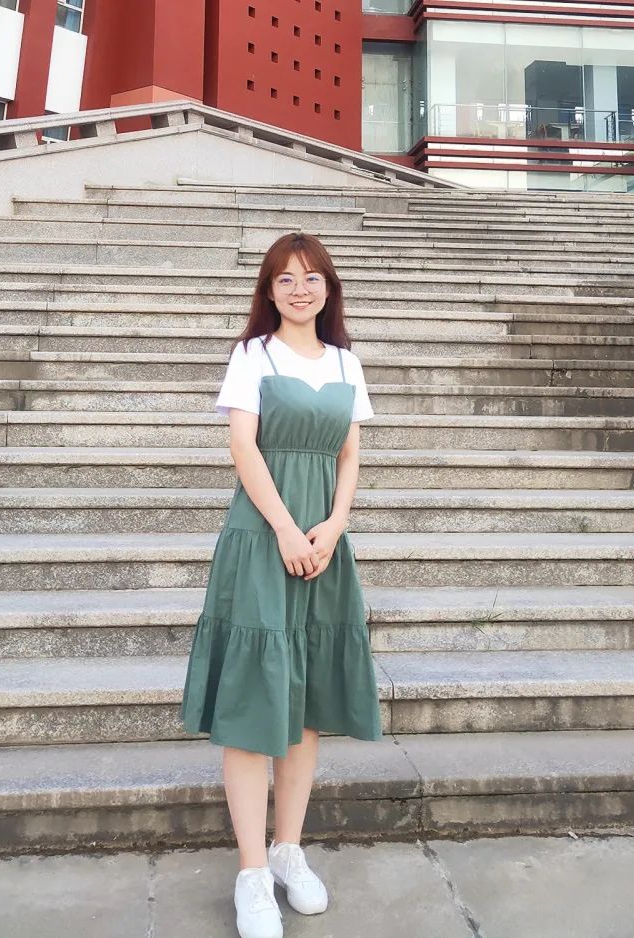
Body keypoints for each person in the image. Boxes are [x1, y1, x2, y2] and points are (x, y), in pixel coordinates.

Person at [180, 232, 383, 938]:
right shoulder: (253, 355)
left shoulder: (347, 363)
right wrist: (288, 531)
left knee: (305, 703)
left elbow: (350, 454)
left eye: (312, 277)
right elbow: (243, 447)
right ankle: (251, 873)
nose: (300, 289)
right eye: (286, 278)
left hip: (323, 544)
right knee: (250, 702)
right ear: (269, 291)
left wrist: (333, 526)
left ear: (330, 288)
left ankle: (288, 849)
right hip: (263, 539)